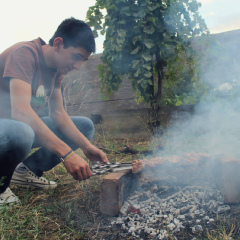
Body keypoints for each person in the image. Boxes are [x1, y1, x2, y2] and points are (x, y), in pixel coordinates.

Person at [0, 17, 108, 205]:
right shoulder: (24, 54)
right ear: (58, 44)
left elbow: (58, 114)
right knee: (22, 130)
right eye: (76, 57)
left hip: (15, 130)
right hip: (8, 130)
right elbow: (21, 112)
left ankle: (26, 172)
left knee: (84, 126)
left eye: (82, 60)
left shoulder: (57, 71)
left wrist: (86, 147)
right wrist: (67, 154)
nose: (78, 66)